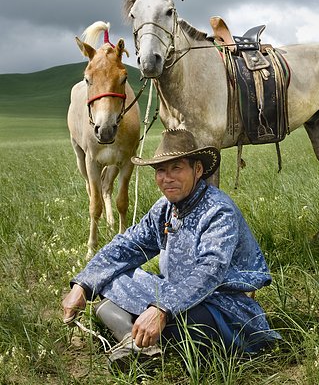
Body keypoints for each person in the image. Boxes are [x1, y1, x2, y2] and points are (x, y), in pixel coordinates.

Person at [62, 128, 280, 364]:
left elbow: (210, 270)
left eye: (176, 168)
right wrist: (83, 284)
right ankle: (136, 343)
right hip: (174, 292)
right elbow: (127, 245)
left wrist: (162, 308)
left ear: (197, 170)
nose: (167, 178)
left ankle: (137, 337)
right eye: (161, 171)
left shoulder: (218, 211)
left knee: (179, 320)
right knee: (111, 280)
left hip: (223, 306)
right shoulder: (165, 208)